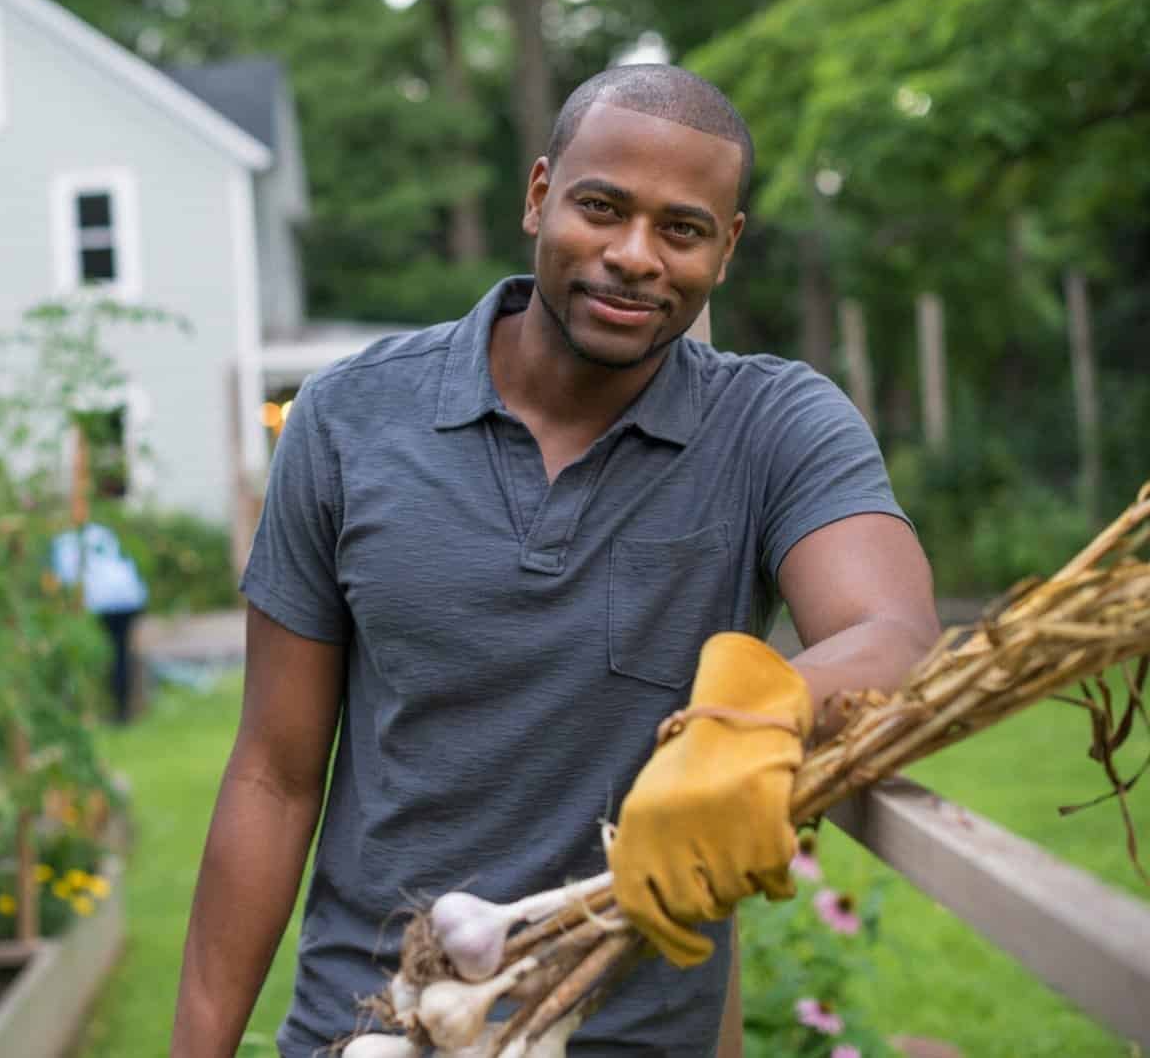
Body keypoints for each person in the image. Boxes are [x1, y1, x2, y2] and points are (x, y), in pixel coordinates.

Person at [172, 64, 940, 1057]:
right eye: (601, 207)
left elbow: (897, 635)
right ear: (538, 197)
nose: (634, 256)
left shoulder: (774, 428)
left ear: (726, 247)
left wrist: (752, 713)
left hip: (627, 1039)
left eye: (681, 228)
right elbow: (273, 776)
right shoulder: (348, 418)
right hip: (371, 1030)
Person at [50, 521, 148, 723]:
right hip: (130, 595)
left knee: (101, 654)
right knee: (121, 653)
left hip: (102, 600)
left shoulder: (64, 542)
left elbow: (66, 581)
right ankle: (123, 709)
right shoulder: (101, 531)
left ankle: (103, 709)